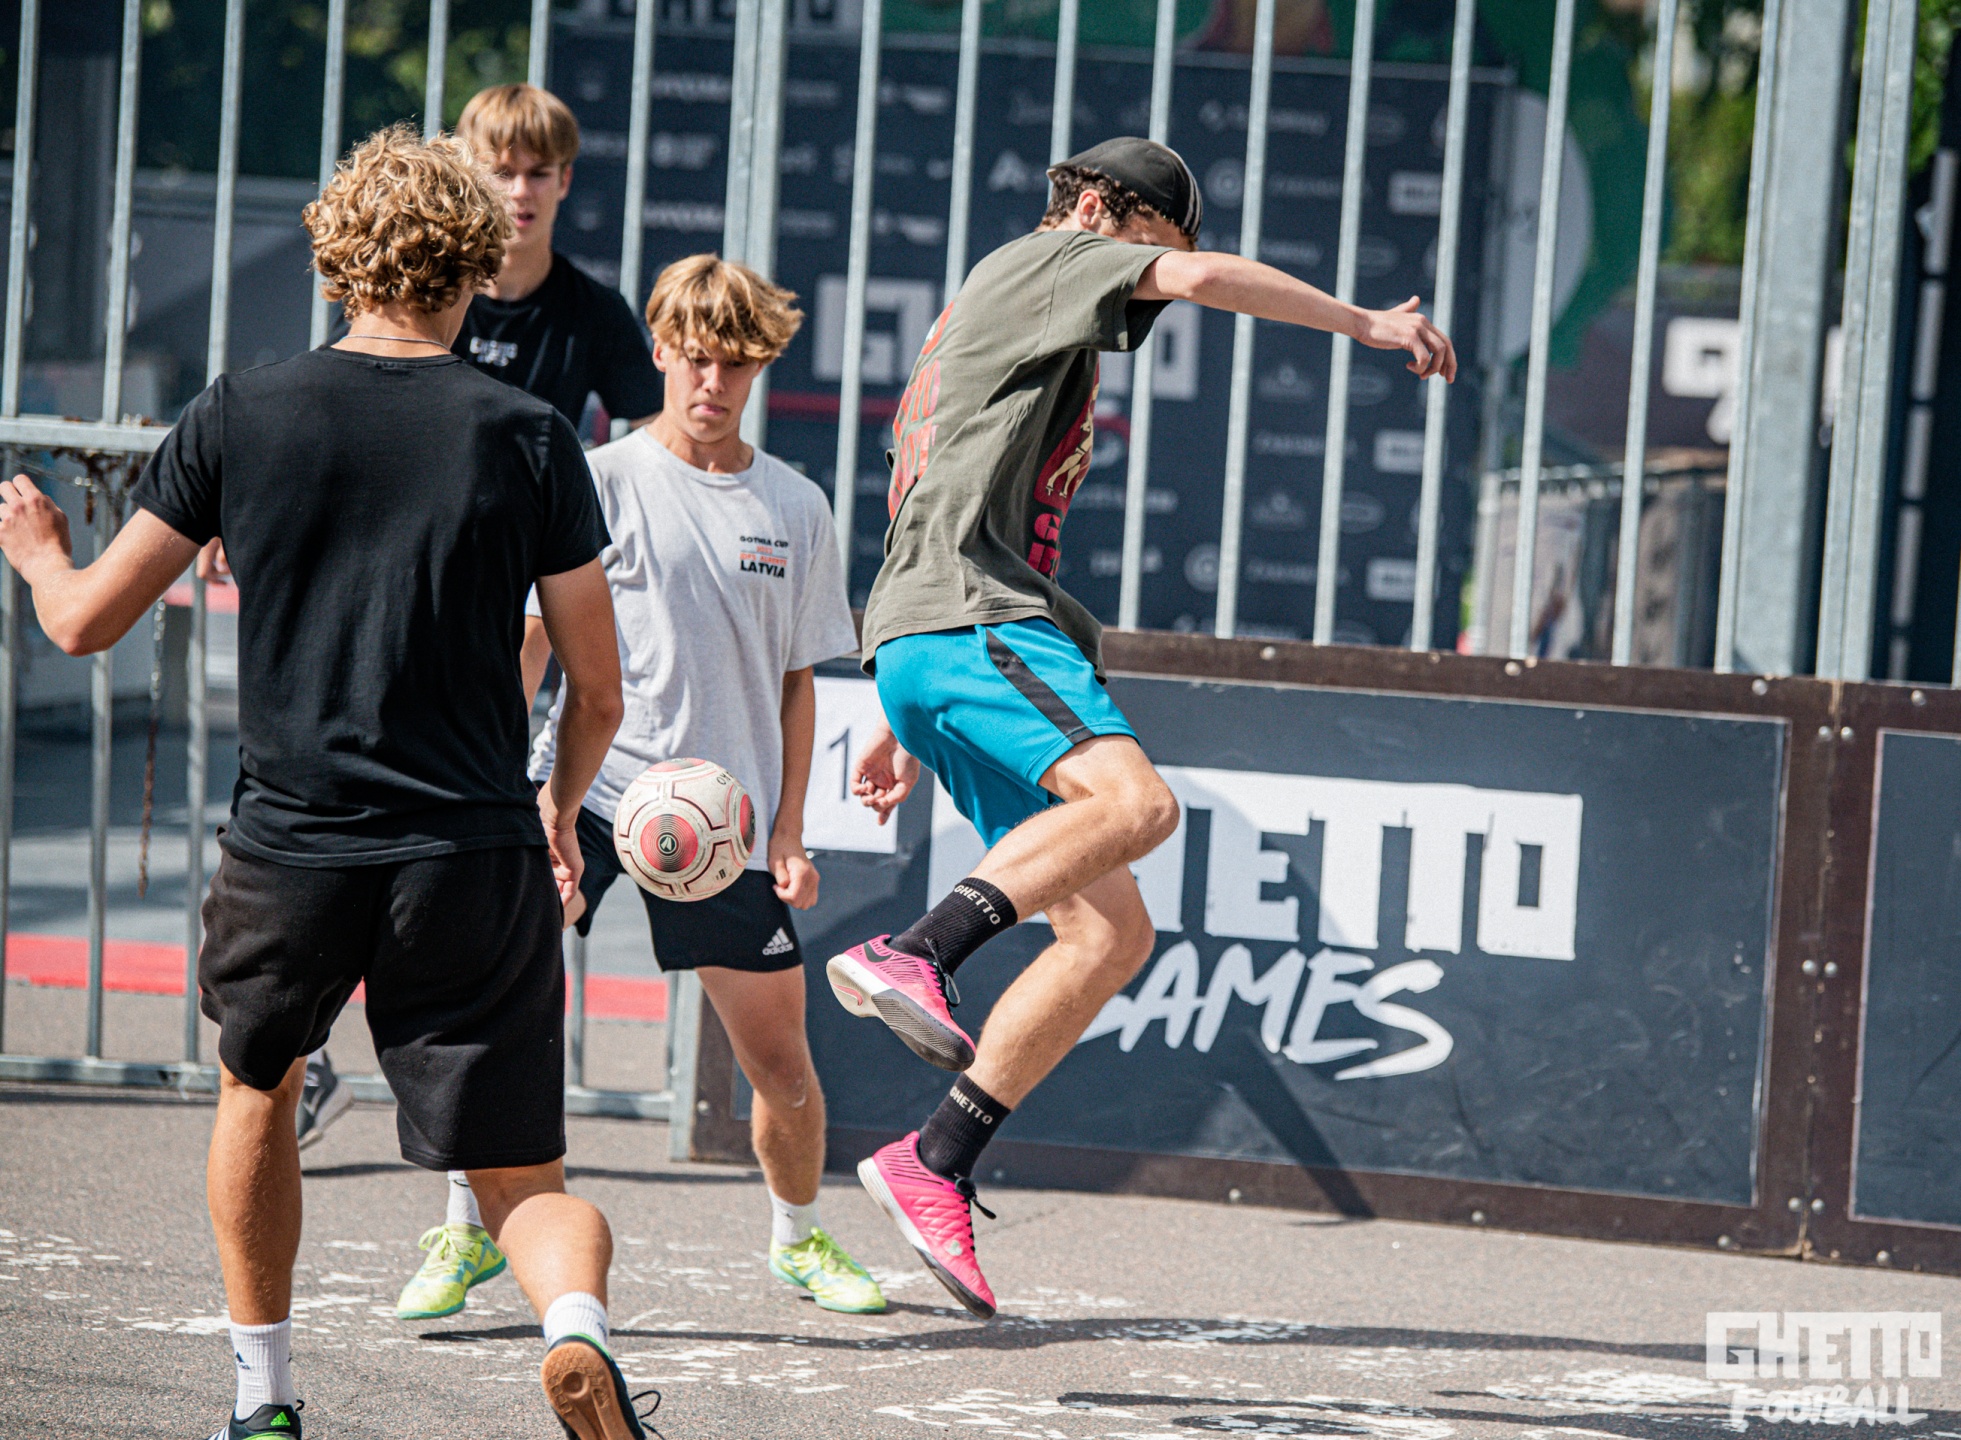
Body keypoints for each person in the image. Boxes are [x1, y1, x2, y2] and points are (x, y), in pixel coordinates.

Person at [0, 125, 655, 1440]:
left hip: (291, 846)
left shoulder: (241, 412)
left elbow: (81, 623)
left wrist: (37, 549)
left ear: (337, 258)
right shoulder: (531, 436)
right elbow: (597, 688)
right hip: (469, 849)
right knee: (520, 1174)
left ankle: (264, 1399)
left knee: (259, 1090)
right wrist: (557, 810)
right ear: (473, 263)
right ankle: (575, 1330)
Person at [832, 137, 1457, 1319]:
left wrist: (901, 705)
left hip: (939, 642)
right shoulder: (1050, 256)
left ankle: (933, 1160)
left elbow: (938, 489)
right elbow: (1207, 278)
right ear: (1103, 210)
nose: (1148, 290)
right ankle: (917, 951)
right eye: (1149, 249)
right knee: (1135, 805)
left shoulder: (1008, 311)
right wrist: (1368, 324)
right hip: (978, 622)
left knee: (1109, 932)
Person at [506, 252, 884, 1315]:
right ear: (661, 352)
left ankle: (797, 1237)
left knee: (782, 1066)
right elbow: (533, 642)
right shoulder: (597, 477)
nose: (712, 383)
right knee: (499, 1013)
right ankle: (466, 1226)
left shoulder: (796, 505)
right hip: (585, 792)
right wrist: (507, 787)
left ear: (760, 367)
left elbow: (799, 682)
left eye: (736, 364)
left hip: (722, 817)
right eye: (694, 358)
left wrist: (789, 830)